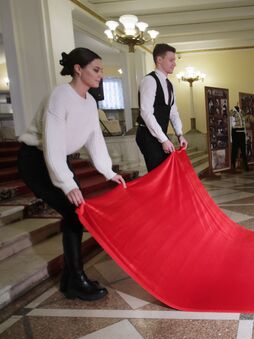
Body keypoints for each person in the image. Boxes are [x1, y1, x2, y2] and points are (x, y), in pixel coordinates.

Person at [17, 48, 126, 301]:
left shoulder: (90, 102)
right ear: (79, 69)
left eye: (101, 70)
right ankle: (75, 279)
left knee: (75, 213)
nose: (101, 75)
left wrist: (108, 172)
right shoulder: (60, 96)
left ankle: (70, 278)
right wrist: (67, 184)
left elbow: (94, 139)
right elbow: (52, 146)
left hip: (57, 160)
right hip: (35, 160)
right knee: (72, 211)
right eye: (96, 70)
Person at [136, 43, 187, 172]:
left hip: (160, 135)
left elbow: (173, 112)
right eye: (171, 60)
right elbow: (146, 113)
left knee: (169, 173)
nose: (174, 63)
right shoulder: (149, 80)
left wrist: (180, 134)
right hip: (147, 135)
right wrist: (164, 139)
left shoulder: (169, 84)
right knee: (158, 176)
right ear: (159, 60)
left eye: (174, 60)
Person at [229, 105, 249, 172]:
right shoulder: (232, 112)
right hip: (236, 133)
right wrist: (231, 137)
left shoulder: (242, 112)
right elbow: (230, 125)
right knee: (234, 150)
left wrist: (245, 134)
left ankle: (246, 166)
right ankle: (233, 166)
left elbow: (244, 124)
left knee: (243, 150)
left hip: (242, 133)